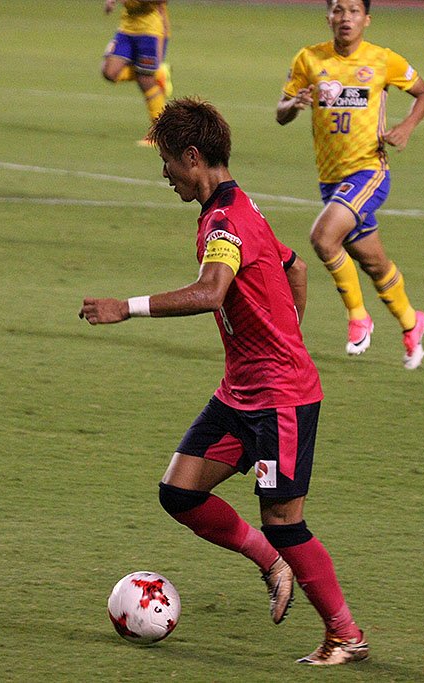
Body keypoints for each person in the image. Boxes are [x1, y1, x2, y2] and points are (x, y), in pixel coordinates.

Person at [79, 98, 370, 666]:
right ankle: (272, 564)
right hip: (241, 391)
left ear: (192, 156)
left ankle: (345, 635)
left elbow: (212, 292)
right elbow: (294, 266)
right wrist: (284, 334)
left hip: (280, 399)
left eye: (167, 162)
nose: (165, 173)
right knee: (179, 492)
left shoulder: (224, 221)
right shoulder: (239, 205)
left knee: (285, 521)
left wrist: (125, 307)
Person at [276, 0, 424, 370]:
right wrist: (294, 105)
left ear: (367, 19)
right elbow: (280, 113)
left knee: (322, 238)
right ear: (328, 17)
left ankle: (358, 317)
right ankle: (411, 321)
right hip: (331, 180)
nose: (345, 18)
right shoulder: (309, 59)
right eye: (338, 10)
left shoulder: (382, 59)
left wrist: (406, 127)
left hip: (369, 171)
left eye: (353, 11)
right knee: (373, 262)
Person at [101, 0, 172, 144]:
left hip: (150, 31)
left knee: (146, 81)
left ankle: (159, 133)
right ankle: (156, 73)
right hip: (126, 29)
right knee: (109, 72)